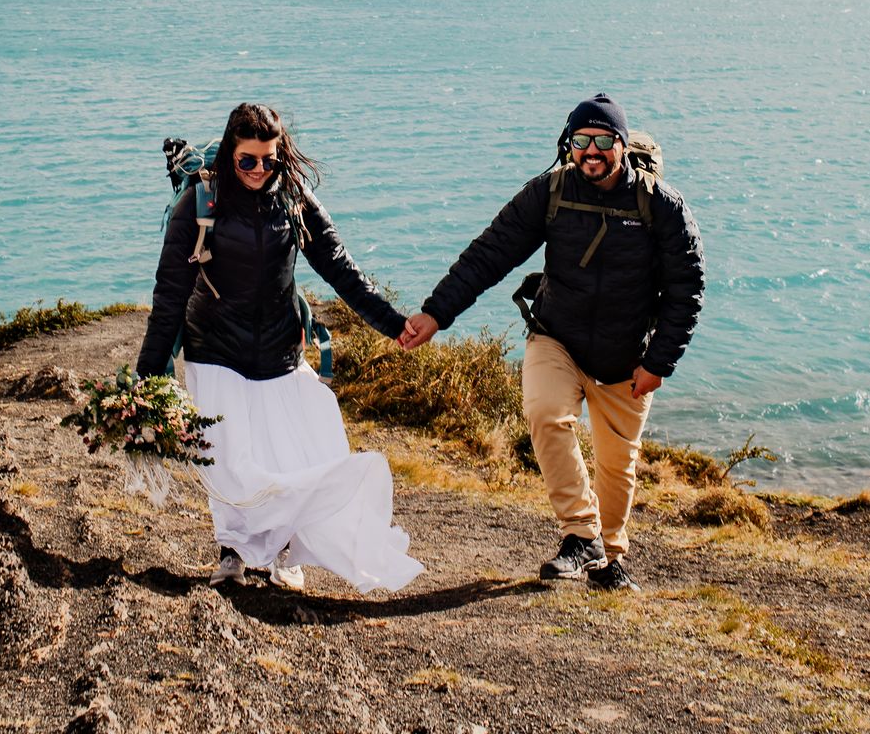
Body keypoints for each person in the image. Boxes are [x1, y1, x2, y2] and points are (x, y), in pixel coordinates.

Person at [399, 94, 704, 592]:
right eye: (581, 141)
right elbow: (490, 254)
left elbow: (687, 287)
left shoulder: (661, 206)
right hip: (556, 336)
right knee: (545, 414)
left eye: (603, 141)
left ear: (622, 145)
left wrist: (660, 361)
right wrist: (436, 312)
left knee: (616, 464)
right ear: (568, 145)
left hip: (627, 354)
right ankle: (579, 535)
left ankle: (609, 558)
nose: (591, 151)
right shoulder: (549, 193)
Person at [137, 102, 424, 594]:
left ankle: (284, 551)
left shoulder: (293, 198)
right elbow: (169, 298)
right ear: (230, 154)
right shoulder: (199, 205)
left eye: (269, 159)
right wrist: (148, 380)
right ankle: (232, 550)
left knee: (297, 454)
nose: (259, 170)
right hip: (214, 348)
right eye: (248, 160)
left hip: (279, 350)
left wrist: (395, 324)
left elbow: (341, 270)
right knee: (228, 456)